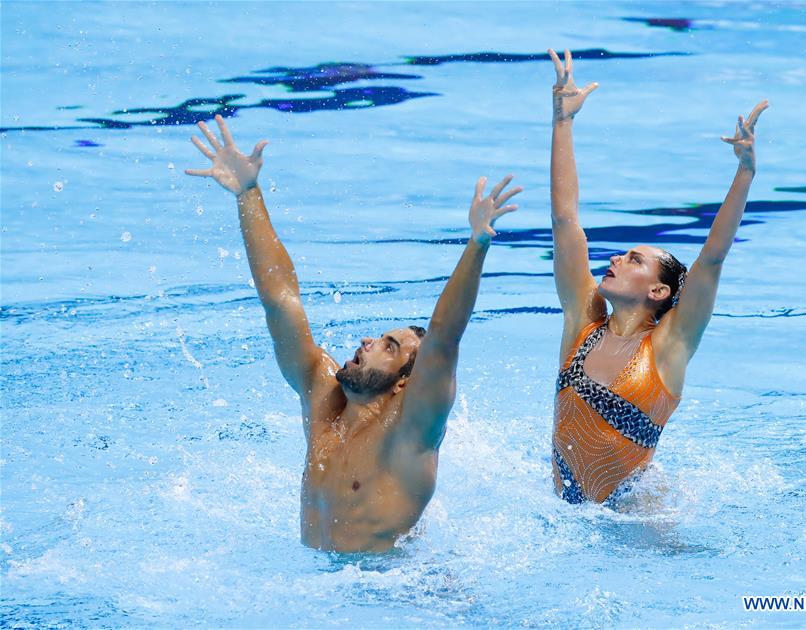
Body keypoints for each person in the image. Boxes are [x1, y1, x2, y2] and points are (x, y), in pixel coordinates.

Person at [186, 115, 521, 551]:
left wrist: (477, 244)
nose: (368, 341)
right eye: (378, 337)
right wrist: (248, 194)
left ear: (405, 380)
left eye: (389, 346)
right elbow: (281, 299)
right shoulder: (322, 395)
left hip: (392, 591)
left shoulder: (411, 432)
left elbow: (444, 335)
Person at [547, 49, 768, 504]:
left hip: (634, 520)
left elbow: (711, 260)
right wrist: (562, 122)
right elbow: (566, 222)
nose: (616, 259)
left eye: (634, 259)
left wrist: (745, 173)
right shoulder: (582, 323)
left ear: (658, 291)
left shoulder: (669, 346)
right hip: (561, 509)